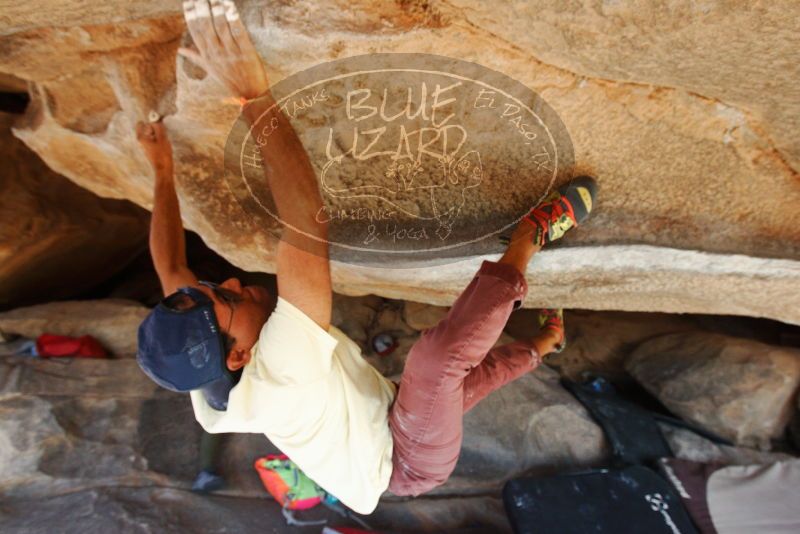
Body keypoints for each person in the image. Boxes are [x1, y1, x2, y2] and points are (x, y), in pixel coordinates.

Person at [136, 0, 598, 515]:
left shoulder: (204, 375)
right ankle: (529, 237)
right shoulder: (281, 376)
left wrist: (160, 167)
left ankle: (547, 340)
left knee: (462, 382)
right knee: (437, 363)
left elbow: (171, 267)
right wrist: (254, 98)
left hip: (380, 418)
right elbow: (308, 224)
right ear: (238, 356)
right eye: (226, 297)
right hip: (407, 460)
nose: (234, 282)